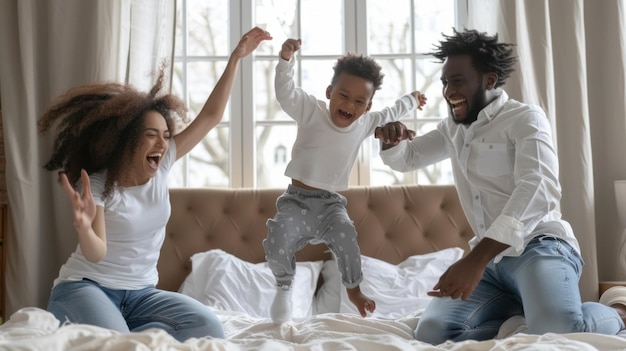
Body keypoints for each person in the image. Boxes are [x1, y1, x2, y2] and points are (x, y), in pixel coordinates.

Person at [376, 28, 626, 344]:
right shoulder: (452, 128)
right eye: (444, 82)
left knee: (557, 330)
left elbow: (539, 187)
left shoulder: (525, 118)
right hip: (493, 265)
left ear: (489, 80)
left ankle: (618, 311)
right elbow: (407, 159)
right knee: (433, 333)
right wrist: (392, 140)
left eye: (457, 81)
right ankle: (520, 308)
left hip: (539, 246)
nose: (447, 90)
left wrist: (475, 260)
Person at [38, 27, 272, 342]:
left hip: (140, 296)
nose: (163, 143)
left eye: (165, 134)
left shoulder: (161, 166)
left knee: (209, 328)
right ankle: (81, 317)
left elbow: (210, 117)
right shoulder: (97, 185)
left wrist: (236, 58)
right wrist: (84, 228)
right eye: (151, 135)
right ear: (127, 141)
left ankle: (109, 326)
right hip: (87, 287)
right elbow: (97, 251)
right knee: (123, 346)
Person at [262, 38, 427, 324]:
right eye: (343, 95)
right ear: (330, 92)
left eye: (359, 101)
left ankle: (354, 290)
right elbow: (285, 93)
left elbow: (391, 113)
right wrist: (286, 61)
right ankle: (284, 288)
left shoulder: (364, 123)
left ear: (367, 106)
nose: (350, 105)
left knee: (347, 235)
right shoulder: (310, 110)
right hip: (297, 199)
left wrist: (412, 99)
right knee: (279, 236)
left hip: (330, 205)